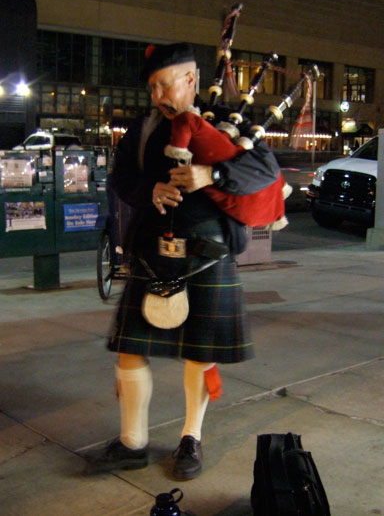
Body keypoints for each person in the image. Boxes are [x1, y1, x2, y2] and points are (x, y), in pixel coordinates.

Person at [86, 43, 281, 480]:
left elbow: (267, 170)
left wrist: (211, 174)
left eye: (164, 84)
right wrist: (149, 190)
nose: (156, 95)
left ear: (191, 80)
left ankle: (191, 438)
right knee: (130, 348)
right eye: (151, 86)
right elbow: (122, 179)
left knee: (200, 353)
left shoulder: (231, 123)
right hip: (152, 251)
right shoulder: (142, 127)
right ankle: (132, 442)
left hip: (208, 255)